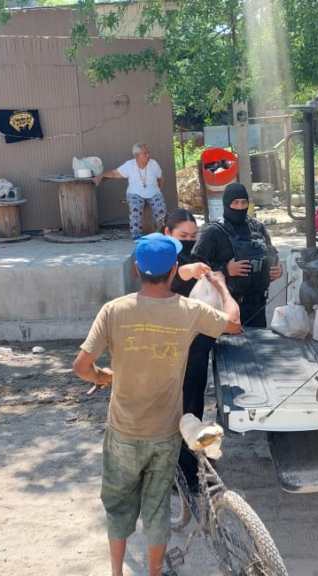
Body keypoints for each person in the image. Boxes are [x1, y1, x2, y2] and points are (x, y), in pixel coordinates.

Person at [73, 233, 240, 576]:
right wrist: (222, 286)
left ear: (136, 270)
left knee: (118, 508)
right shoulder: (190, 311)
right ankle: (153, 571)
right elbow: (234, 323)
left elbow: (81, 368)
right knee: (156, 506)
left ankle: (117, 572)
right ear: (175, 269)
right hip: (164, 432)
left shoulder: (114, 310)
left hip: (122, 430)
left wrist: (105, 378)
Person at [162, 209, 215, 495]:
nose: (188, 241)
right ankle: (179, 474)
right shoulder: (161, 256)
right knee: (178, 408)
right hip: (173, 350)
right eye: (183, 236)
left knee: (194, 405)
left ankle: (193, 464)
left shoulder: (191, 257)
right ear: (167, 232)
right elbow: (168, 280)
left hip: (196, 347)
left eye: (192, 237)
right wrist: (187, 272)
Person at [193, 182, 283, 328]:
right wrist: (225, 270)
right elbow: (195, 266)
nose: (240, 207)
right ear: (226, 204)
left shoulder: (257, 227)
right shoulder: (212, 232)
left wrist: (277, 269)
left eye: (244, 202)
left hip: (257, 306)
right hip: (225, 306)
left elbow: (271, 254)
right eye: (235, 203)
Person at [96, 143, 166, 238]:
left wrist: (159, 191)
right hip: (135, 193)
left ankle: (162, 233)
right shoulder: (129, 165)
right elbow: (115, 173)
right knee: (135, 210)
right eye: (145, 153)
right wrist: (102, 175)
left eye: (148, 153)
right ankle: (136, 235)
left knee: (161, 210)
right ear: (137, 155)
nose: (148, 155)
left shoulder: (153, 163)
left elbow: (161, 178)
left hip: (153, 192)